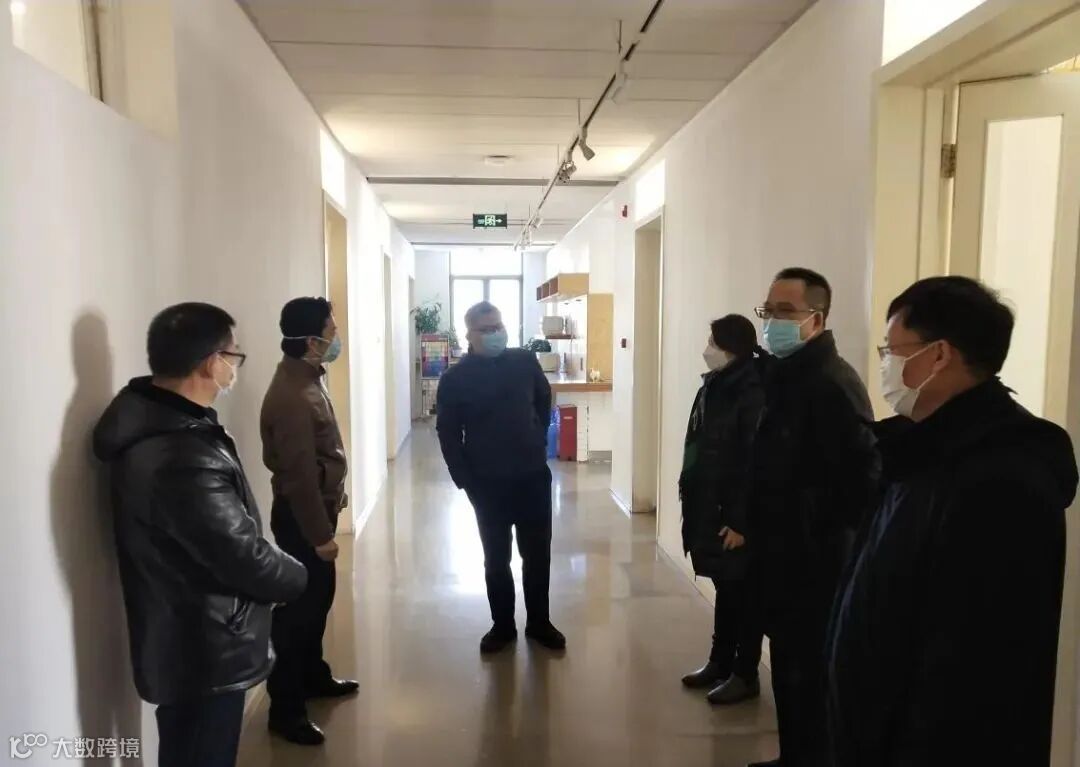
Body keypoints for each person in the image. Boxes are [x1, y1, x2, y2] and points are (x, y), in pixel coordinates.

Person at [827, 277, 1078, 767]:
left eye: (891, 350)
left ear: (939, 354)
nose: (885, 364)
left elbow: (973, 673)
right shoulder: (921, 452)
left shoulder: (1002, 481)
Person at [93, 303, 308, 767]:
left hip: (187, 636)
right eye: (234, 355)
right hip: (203, 649)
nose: (234, 366)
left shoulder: (164, 423)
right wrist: (298, 576)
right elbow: (241, 554)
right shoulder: (181, 455)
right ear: (213, 362)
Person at [747, 268, 880, 767]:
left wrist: (813, 534)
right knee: (789, 673)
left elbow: (861, 485)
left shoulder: (831, 385)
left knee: (811, 679)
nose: (772, 321)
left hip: (816, 567)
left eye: (785, 311)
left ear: (816, 320)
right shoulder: (784, 377)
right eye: (768, 310)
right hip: (782, 558)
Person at [436, 301, 565, 654]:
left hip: (532, 477)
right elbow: (448, 433)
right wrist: (465, 480)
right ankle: (503, 626)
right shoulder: (455, 379)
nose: (495, 334)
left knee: (537, 555)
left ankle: (539, 623)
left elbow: (543, 398)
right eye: (486, 329)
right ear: (469, 335)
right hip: (488, 483)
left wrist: (536, 438)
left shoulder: (523, 361)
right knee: (496, 559)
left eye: (498, 326)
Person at [261, 297, 359, 746]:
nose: (336, 338)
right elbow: (299, 476)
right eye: (331, 331)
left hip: (315, 511)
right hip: (302, 520)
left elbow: (320, 458)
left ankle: (314, 676)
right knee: (298, 616)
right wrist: (320, 536)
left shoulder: (307, 379)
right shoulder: (293, 396)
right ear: (310, 340)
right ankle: (285, 709)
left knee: (318, 602)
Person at [679, 315, 768, 706]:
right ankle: (720, 662)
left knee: (744, 595)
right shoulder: (717, 383)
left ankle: (745, 673)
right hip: (710, 503)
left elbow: (752, 460)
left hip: (733, 516)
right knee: (727, 589)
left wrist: (740, 521)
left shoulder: (751, 391)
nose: (707, 348)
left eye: (713, 342)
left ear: (731, 348)